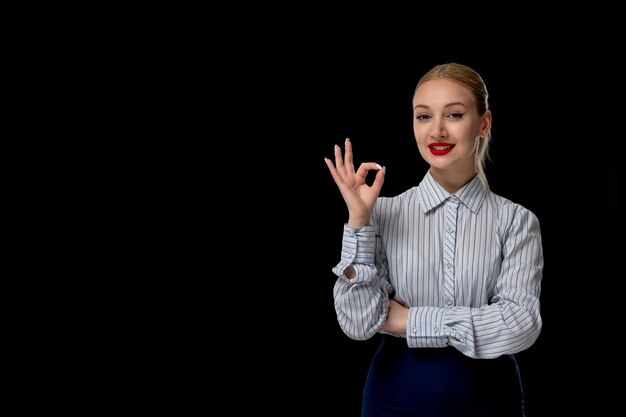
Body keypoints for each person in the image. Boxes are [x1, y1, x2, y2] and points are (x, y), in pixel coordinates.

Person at [323, 62, 543, 417]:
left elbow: (520, 324)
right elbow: (358, 324)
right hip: (392, 400)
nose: (437, 131)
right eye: (423, 117)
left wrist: (407, 321)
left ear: (484, 123)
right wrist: (359, 222)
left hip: (491, 401)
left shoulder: (516, 221)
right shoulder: (382, 213)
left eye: (454, 114)